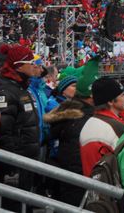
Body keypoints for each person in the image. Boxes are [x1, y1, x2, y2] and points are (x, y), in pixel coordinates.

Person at [43, 57, 100, 205]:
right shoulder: (65, 112)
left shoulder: (76, 112)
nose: (75, 89)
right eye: (72, 86)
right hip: (70, 171)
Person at [0, 44, 42, 208]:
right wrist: (11, 164)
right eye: (30, 62)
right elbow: (3, 133)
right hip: (14, 166)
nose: (33, 65)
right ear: (19, 66)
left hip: (25, 162)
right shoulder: (6, 91)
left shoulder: (20, 88)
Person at [79, 77, 124, 176]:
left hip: (100, 186)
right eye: (122, 96)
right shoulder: (112, 127)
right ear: (110, 101)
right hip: (107, 188)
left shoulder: (94, 121)